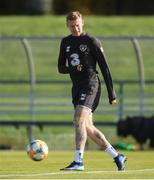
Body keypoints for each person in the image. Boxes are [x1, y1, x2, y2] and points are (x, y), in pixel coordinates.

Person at [58, 11, 127, 171]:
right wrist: (72, 68)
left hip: (91, 85)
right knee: (86, 126)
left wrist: (112, 93)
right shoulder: (65, 42)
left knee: (78, 120)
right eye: (72, 26)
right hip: (76, 87)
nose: (75, 28)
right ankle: (117, 156)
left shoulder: (91, 41)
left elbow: (104, 68)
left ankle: (78, 161)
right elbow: (60, 67)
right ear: (67, 25)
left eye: (77, 25)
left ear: (82, 23)